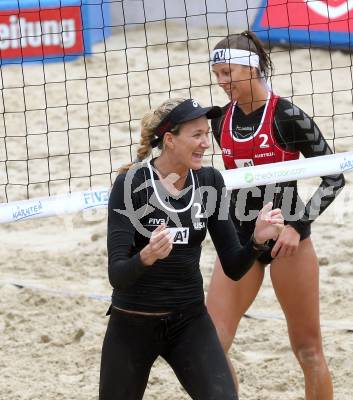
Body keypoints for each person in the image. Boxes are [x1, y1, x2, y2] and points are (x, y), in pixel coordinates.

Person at [99, 97, 284, 400]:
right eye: (196, 135)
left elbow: (235, 267)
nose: (205, 143)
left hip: (189, 321)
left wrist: (256, 241)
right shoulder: (131, 183)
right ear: (170, 140)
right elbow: (117, 275)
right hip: (133, 321)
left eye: (206, 134)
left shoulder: (209, 181)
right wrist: (146, 257)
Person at [207, 31, 346, 399]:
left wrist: (298, 228)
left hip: (288, 243)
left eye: (227, 73)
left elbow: (335, 178)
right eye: (216, 74)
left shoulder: (287, 116)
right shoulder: (219, 121)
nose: (221, 82)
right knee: (210, 348)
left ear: (252, 68)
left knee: (308, 350)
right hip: (240, 241)